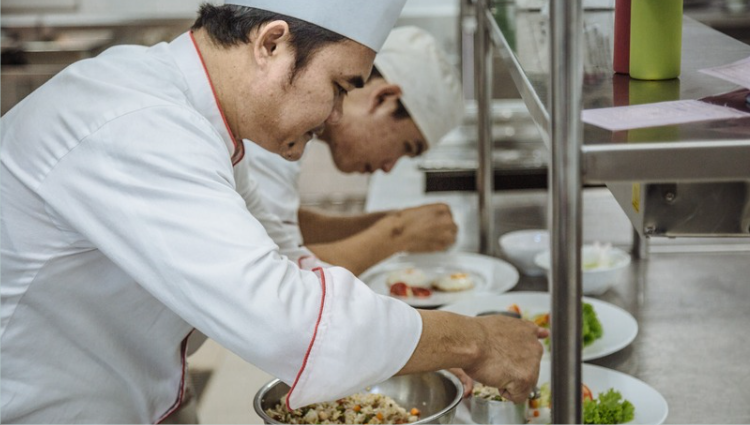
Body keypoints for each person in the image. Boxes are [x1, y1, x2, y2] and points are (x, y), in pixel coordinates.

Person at [0, 1, 547, 423]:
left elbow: (287, 261)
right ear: (272, 42)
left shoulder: (201, 119)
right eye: (338, 87)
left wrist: (416, 343)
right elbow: (286, 319)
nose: (335, 114)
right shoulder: (139, 123)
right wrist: (472, 339)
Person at [245, 26, 464, 276]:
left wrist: (387, 222)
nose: (388, 167)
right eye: (405, 148)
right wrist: (398, 232)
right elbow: (281, 277)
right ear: (383, 99)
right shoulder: (275, 126)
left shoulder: (295, 129)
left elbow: (278, 226)